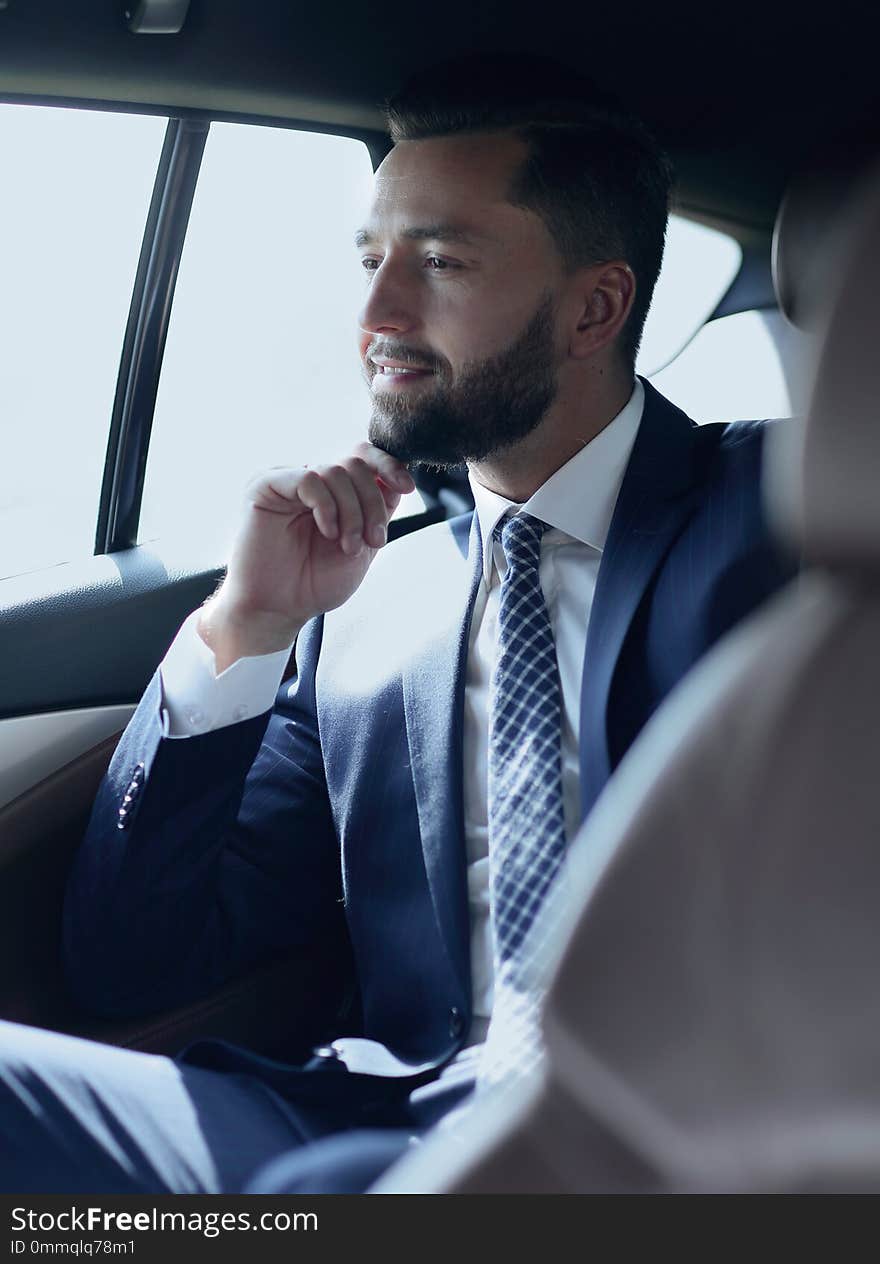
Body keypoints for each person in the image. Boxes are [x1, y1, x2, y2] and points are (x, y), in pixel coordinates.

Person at [0, 53, 796, 1195]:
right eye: (371, 259)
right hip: (397, 1118)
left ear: (594, 306)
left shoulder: (793, 516)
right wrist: (249, 624)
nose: (375, 313)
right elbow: (135, 963)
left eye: (439, 261)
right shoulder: (368, 610)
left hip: (704, 1141)